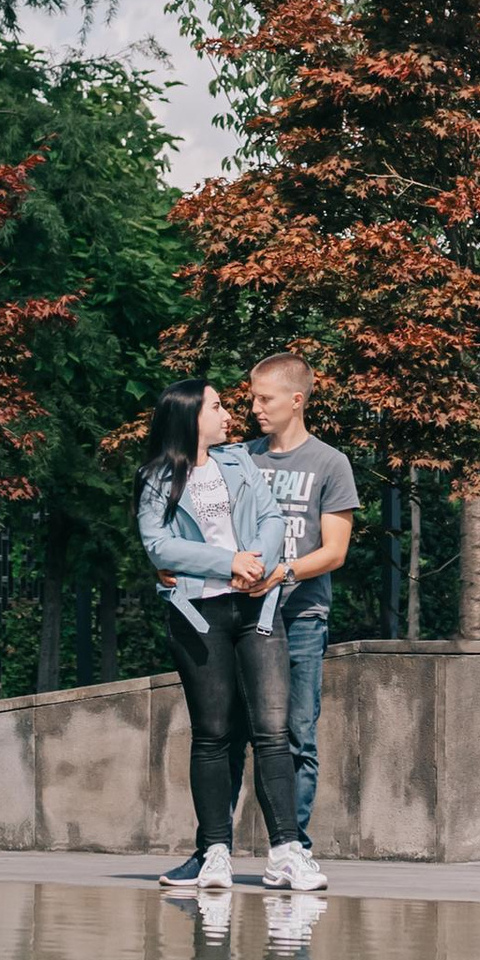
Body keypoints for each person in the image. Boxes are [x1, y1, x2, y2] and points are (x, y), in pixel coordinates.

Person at [135, 378, 320, 898]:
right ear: (190, 416)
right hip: (198, 614)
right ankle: (214, 851)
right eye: (216, 407)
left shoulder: (239, 464)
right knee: (213, 732)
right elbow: (158, 545)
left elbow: (271, 518)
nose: (228, 415)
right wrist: (227, 561)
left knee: (272, 730)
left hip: (256, 607)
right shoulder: (155, 478)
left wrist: (255, 564)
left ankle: (287, 852)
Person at [246, 352, 358, 854]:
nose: (254, 408)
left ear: (296, 400)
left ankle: (293, 848)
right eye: (251, 397)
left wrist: (282, 573)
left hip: (302, 616)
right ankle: (217, 848)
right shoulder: (241, 459)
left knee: (298, 734)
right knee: (233, 734)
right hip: (244, 614)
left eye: (264, 398)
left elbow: (334, 551)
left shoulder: (330, 464)